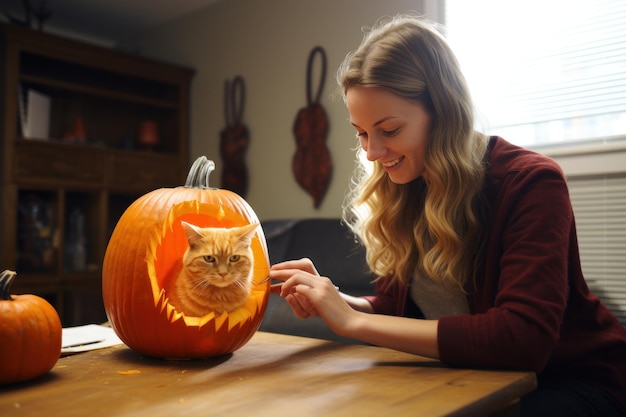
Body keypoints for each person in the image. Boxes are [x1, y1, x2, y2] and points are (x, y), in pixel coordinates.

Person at [268, 14, 626, 417]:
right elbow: (400, 307)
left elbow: (522, 338)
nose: (371, 152)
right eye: (362, 132)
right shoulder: (404, 184)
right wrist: (336, 301)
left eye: (389, 130)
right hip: (473, 374)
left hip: (575, 380)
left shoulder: (531, 182)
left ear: (442, 113)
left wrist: (354, 325)